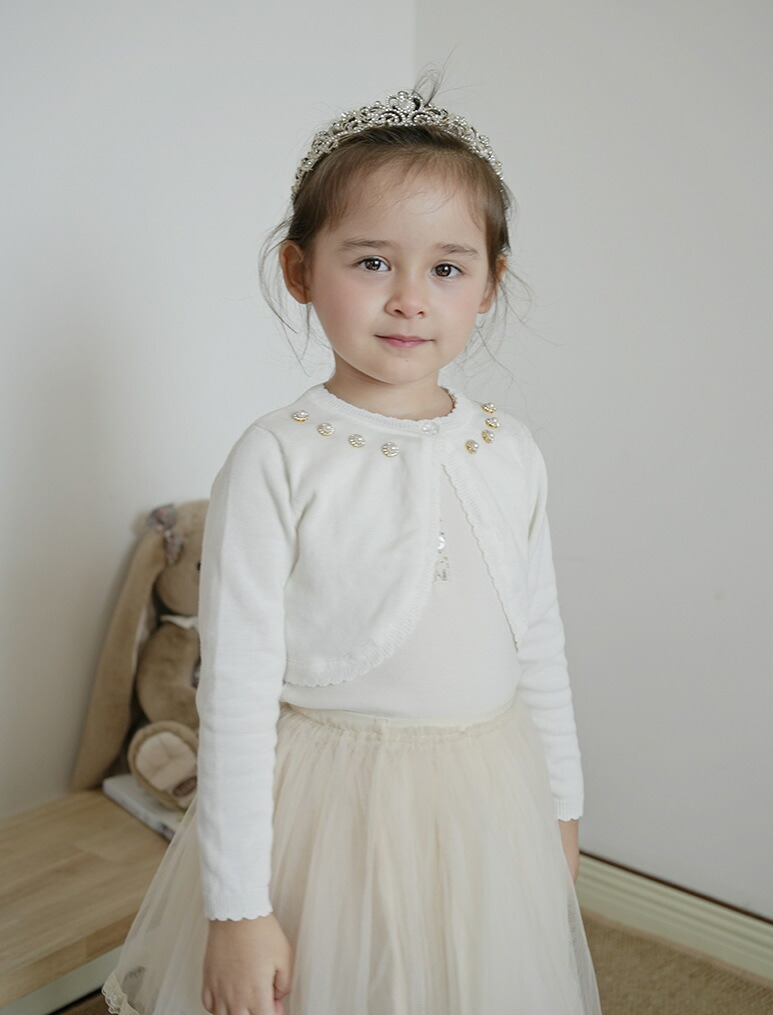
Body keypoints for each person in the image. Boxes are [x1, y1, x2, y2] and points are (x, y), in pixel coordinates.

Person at [103, 85, 602, 1015]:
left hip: (484, 797)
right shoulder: (278, 456)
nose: (410, 297)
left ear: (490, 282)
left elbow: (540, 646)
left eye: (446, 268)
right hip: (330, 809)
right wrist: (238, 908)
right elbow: (235, 693)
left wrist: (562, 810)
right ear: (300, 271)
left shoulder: (511, 451)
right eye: (372, 261)